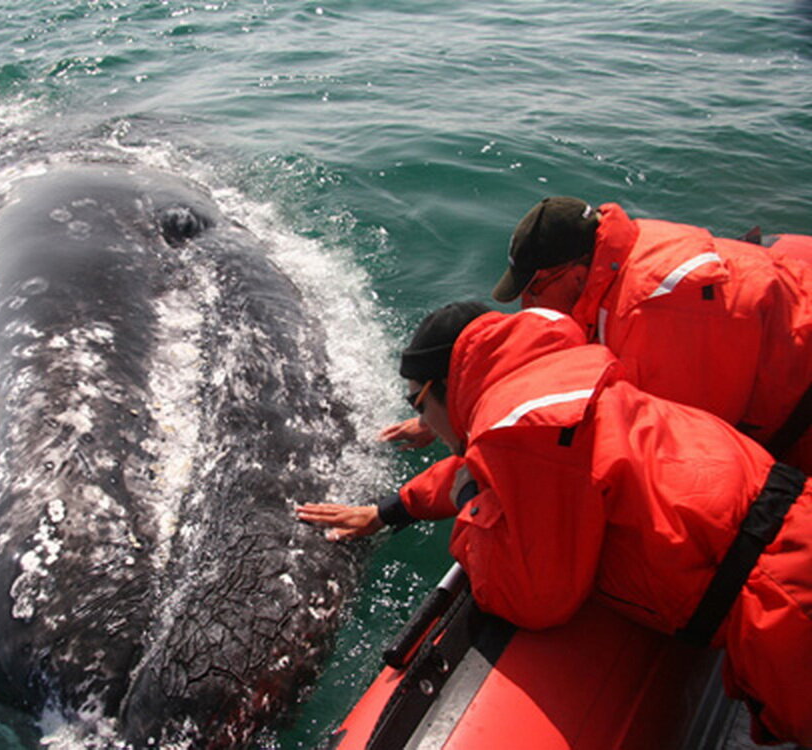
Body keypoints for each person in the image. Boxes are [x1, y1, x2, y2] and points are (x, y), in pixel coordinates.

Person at [298, 302, 812, 745]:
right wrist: (393, 509)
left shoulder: (520, 435)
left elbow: (534, 598)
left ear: (444, 387)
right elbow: (491, 466)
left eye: (417, 403)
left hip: (782, 607)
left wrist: (475, 517)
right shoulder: (552, 383)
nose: (420, 421)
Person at [381, 199, 812, 473]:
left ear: (576, 273)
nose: (527, 305)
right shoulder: (626, 253)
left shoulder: (648, 318)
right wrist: (445, 413)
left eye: (535, 289)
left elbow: (672, 456)